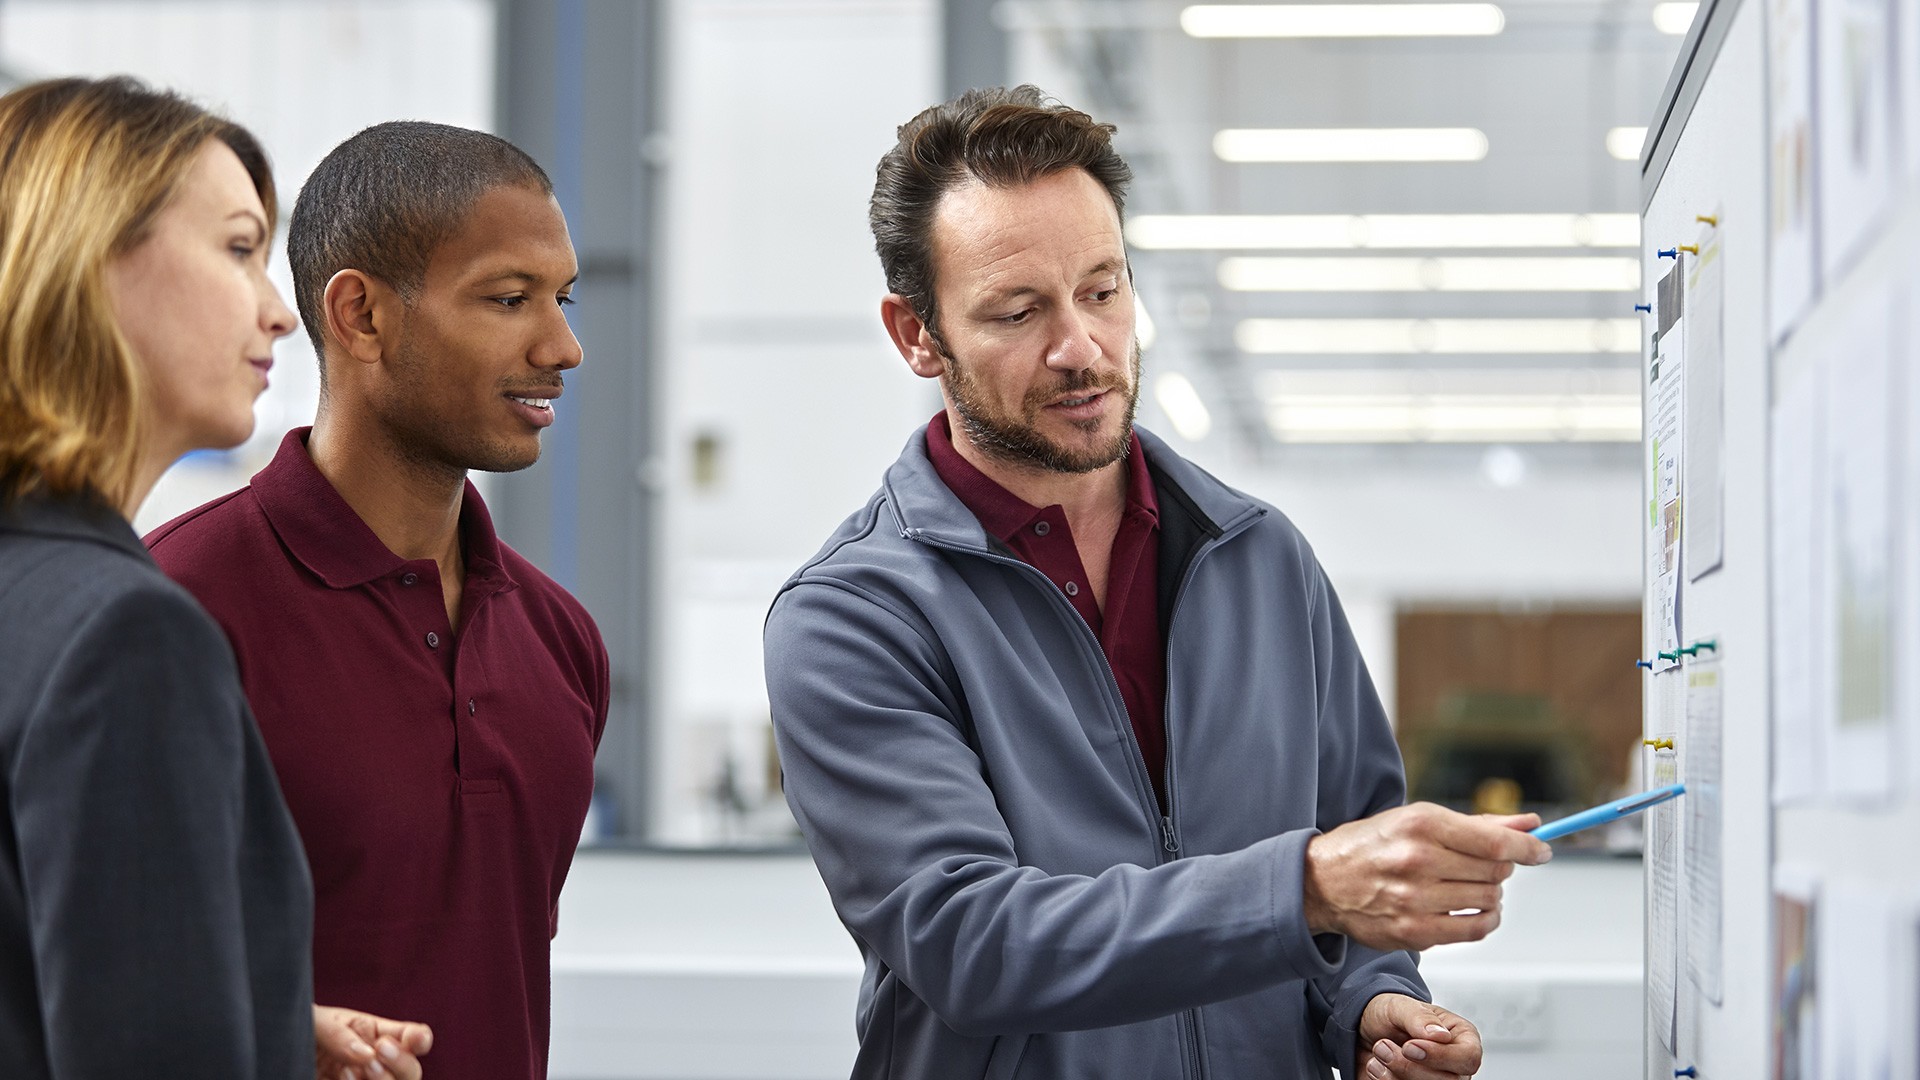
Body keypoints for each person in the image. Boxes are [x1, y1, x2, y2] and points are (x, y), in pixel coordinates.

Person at [762, 85, 1555, 1080]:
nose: (1081, 348)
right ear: (917, 334)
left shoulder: (1262, 559)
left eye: (1102, 289)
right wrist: (1301, 888)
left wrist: (1375, 1003)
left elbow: (1353, 853)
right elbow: (969, 941)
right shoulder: (852, 616)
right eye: (1018, 312)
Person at [147, 120, 609, 1079]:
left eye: (561, 298)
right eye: (510, 298)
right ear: (359, 315)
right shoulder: (172, 612)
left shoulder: (562, 641)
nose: (563, 345)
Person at [0, 76, 428, 1080]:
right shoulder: (124, 636)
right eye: (239, 250)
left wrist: (258, 1028)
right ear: (89, 263)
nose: (281, 314)